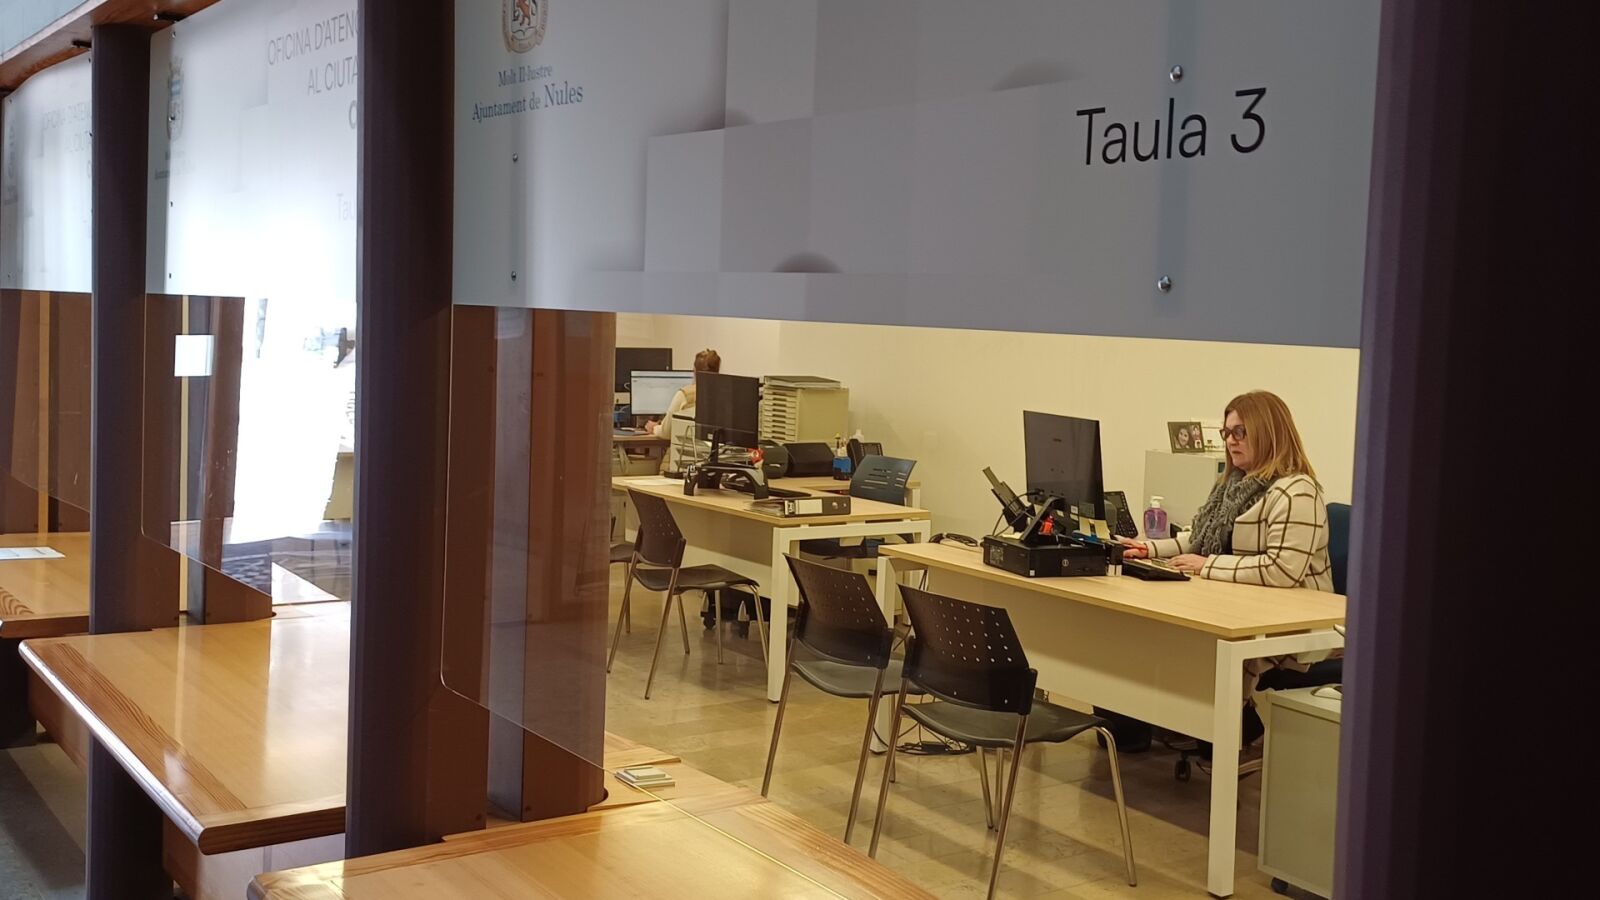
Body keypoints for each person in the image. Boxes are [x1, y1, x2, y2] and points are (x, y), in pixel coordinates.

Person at [1107, 390, 1339, 751]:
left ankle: (1233, 731)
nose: (1231, 441)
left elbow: (1283, 571)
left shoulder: (1297, 492)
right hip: (1243, 606)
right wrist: (1147, 548)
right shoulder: (1232, 485)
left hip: (1293, 625)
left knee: (1206, 651)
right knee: (1152, 634)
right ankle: (1158, 725)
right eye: (1227, 433)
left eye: (1240, 432)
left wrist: (1208, 566)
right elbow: (1197, 540)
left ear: (1268, 431)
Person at [644, 348, 720, 473]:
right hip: (713, 463)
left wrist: (654, 428)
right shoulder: (725, 395)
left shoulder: (685, 394)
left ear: (694, 371)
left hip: (681, 463)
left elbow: (666, 432)